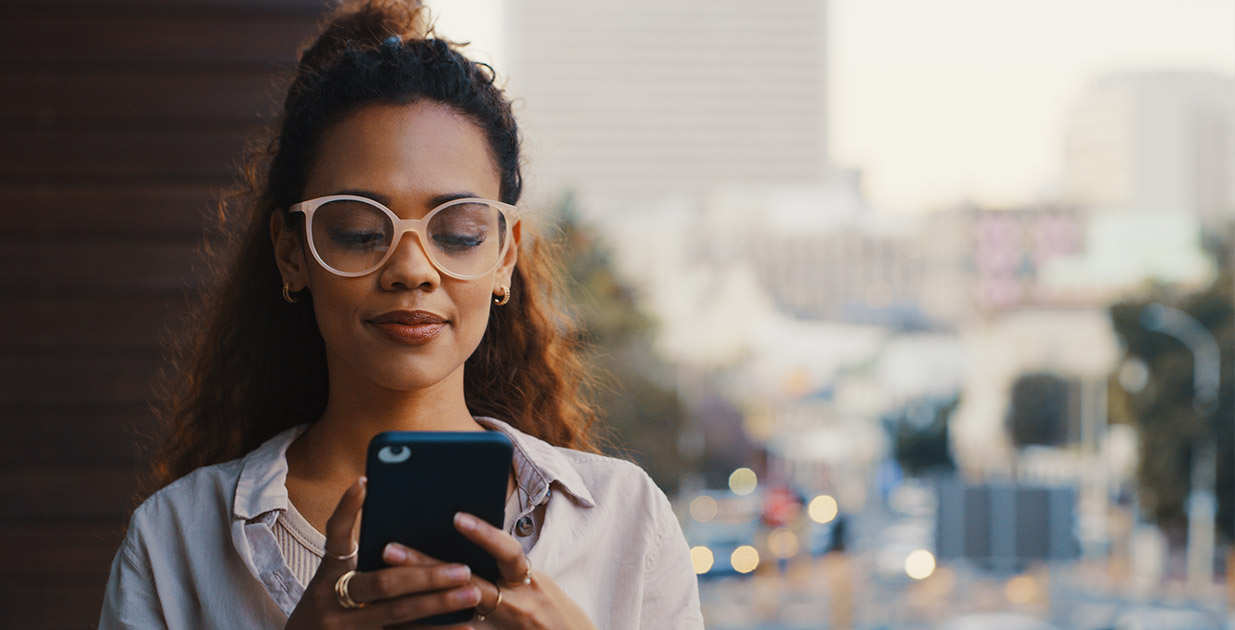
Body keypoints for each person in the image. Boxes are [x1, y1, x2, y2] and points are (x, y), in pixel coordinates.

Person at [98, 1, 704, 628]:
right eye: (362, 231)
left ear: (504, 258)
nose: (411, 269)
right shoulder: (175, 541)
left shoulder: (626, 523)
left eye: (459, 233)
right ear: (291, 254)